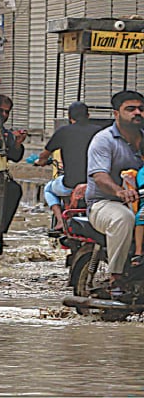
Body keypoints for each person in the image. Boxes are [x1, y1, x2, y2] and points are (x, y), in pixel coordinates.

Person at [86, 90, 144, 294]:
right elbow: (99, 176)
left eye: (141, 109)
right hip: (105, 204)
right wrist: (120, 192)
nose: (137, 113)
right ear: (116, 113)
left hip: (141, 202)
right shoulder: (104, 140)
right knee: (123, 218)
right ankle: (116, 278)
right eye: (130, 109)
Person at [33, 101, 102, 231]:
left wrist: (39, 162)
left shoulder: (63, 132)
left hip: (70, 184)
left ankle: (60, 221)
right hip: (95, 185)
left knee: (48, 189)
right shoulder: (100, 132)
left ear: (70, 118)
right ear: (88, 116)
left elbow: (44, 155)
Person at [0, 94, 27, 234]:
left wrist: (17, 143)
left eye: (7, 112)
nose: (4, 114)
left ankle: (1, 230)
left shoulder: (5, 132)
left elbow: (15, 157)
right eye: (1, 110)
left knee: (14, 190)